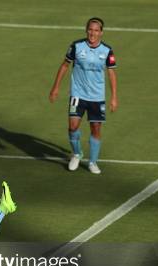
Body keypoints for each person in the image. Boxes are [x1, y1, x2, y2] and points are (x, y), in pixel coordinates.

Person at [49, 17, 118, 174]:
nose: (92, 33)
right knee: (73, 126)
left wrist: (114, 97)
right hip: (78, 94)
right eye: (90, 29)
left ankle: (93, 162)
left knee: (95, 128)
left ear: (101, 32)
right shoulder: (76, 46)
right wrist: (55, 87)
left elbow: (111, 73)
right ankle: (77, 153)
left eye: (96, 30)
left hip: (97, 97)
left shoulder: (107, 50)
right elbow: (65, 65)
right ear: (86, 30)